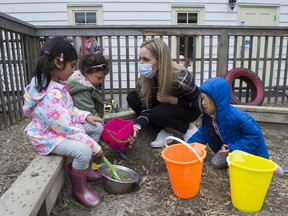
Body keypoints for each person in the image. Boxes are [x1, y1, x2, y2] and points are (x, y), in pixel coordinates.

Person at [22, 37, 103, 208]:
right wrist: (95, 147)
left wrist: (85, 116)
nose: (73, 71)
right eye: (72, 65)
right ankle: (80, 190)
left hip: (58, 128)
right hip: (48, 136)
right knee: (83, 150)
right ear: (59, 63)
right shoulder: (49, 94)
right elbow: (66, 127)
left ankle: (86, 169)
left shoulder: (56, 84)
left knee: (96, 127)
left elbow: (67, 110)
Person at [187, 77, 284, 177]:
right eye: (201, 99)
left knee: (232, 173)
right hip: (230, 149)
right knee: (216, 162)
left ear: (216, 100)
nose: (202, 103)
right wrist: (188, 146)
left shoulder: (237, 117)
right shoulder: (209, 117)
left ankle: (267, 165)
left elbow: (254, 136)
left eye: (205, 99)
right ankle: (235, 162)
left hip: (249, 152)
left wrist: (233, 148)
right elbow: (203, 133)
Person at [127, 38, 201, 148]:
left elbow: (198, 103)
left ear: (161, 61)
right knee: (132, 96)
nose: (141, 63)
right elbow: (146, 110)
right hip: (164, 105)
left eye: (146, 59)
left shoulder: (181, 77)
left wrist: (174, 100)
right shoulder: (145, 79)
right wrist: (137, 126)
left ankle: (188, 128)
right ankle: (162, 131)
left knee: (157, 113)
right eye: (140, 58)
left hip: (188, 109)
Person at [66, 53, 110, 154]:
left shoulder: (78, 78)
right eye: (98, 78)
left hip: (74, 117)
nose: (101, 81)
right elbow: (88, 111)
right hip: (75, 121)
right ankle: (91, 151)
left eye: (102, 78)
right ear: (86, 72)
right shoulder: (83, 89)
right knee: (97, 126)